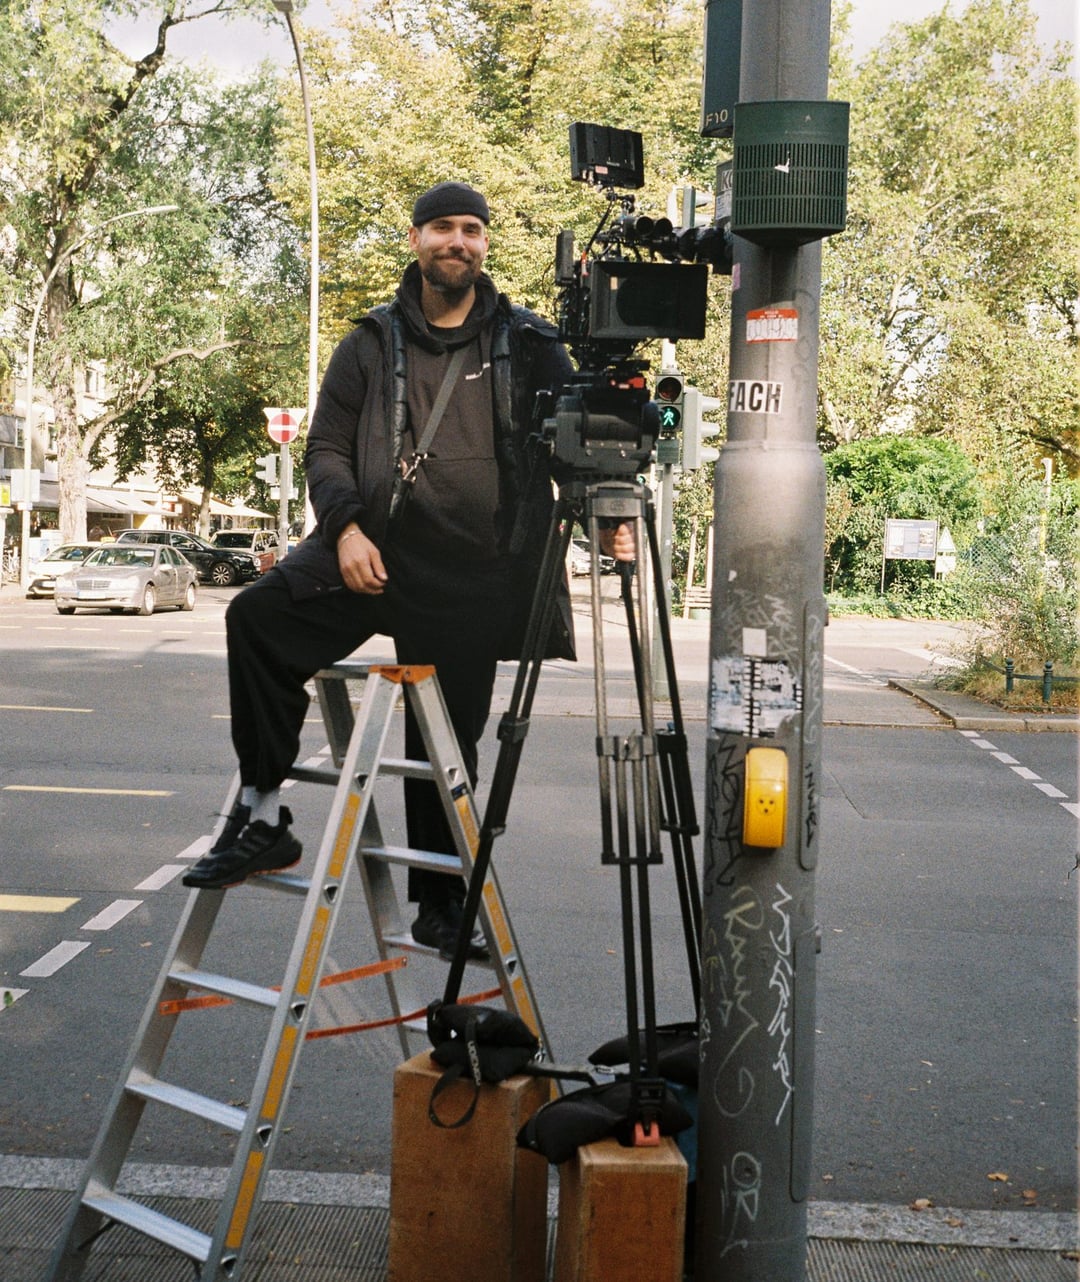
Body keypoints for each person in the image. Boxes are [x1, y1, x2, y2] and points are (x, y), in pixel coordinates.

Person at [182, 181, 631, 958]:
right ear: (417, 238)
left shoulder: (529, 342)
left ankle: (440, 902)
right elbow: (325, 447)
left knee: (446, 748)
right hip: (372, 555)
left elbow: (582, 443)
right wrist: (346, 528)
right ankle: (263, 818)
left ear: (485, 244)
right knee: (255, 618)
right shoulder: (369, 341)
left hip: (475, 576)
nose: (459, 242)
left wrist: (613, 516)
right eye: (443, 228)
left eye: (472, 230)